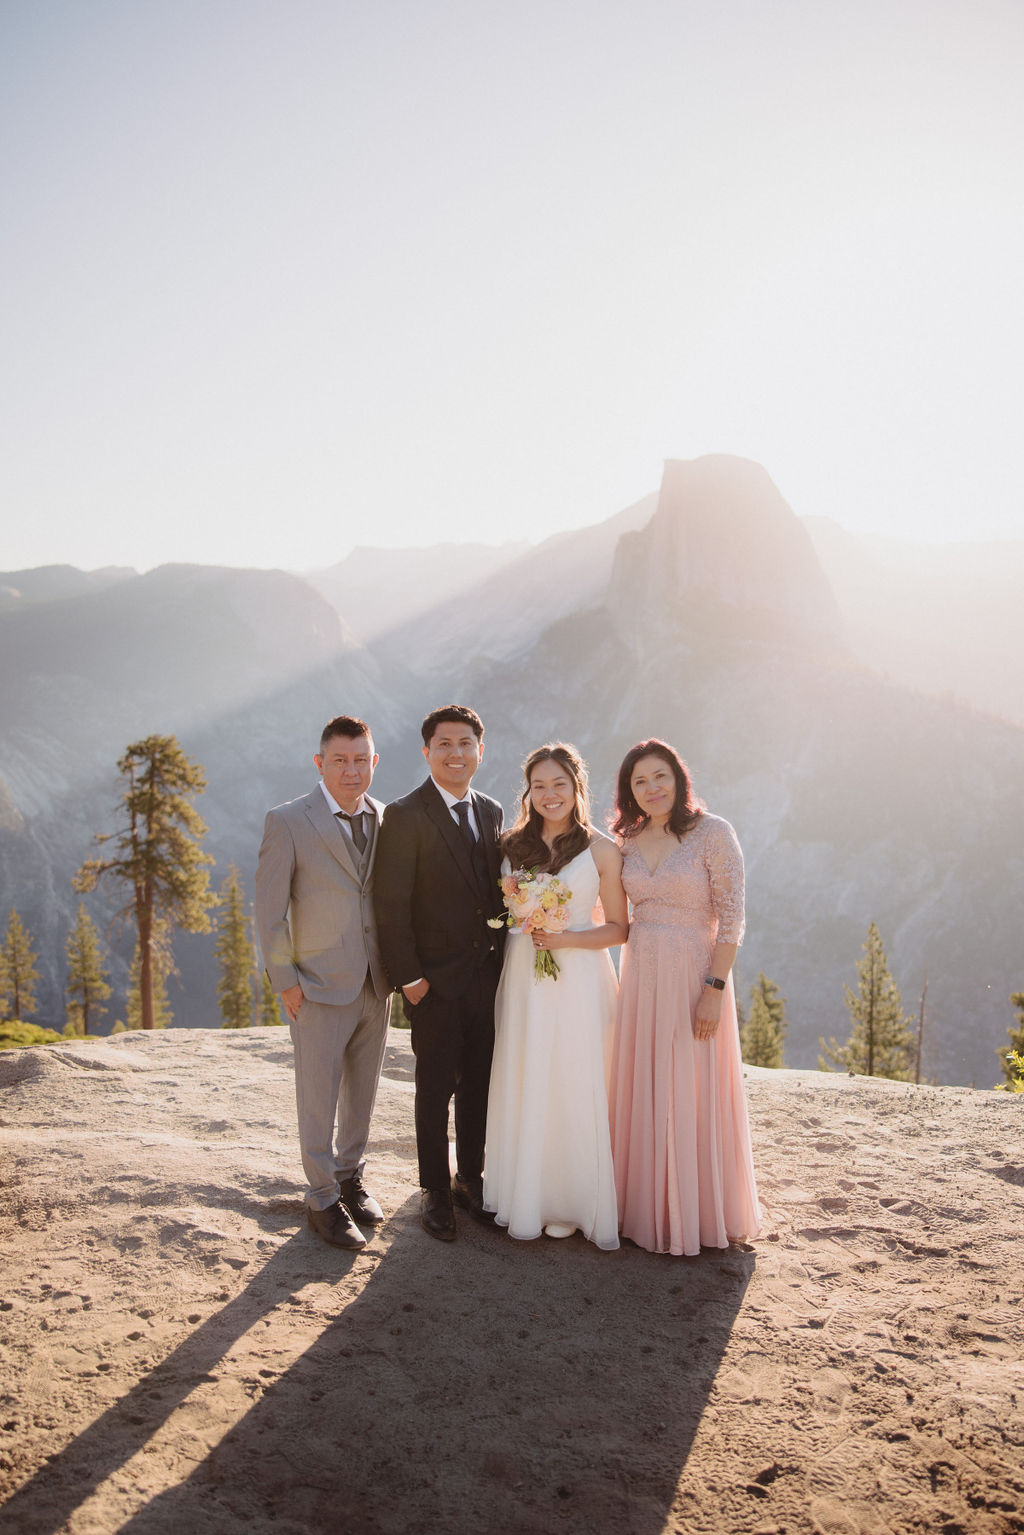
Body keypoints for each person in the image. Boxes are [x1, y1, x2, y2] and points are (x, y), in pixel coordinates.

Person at [608, 740, 760, 1256]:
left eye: (660, 776)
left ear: (679, 778)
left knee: (689, 1086)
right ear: (629, 791)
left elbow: (732, 920)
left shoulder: (713, 833)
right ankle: (641, 1207)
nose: (652, 789)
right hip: (639, 973)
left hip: (694, 974)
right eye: (639, 782)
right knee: (643, 1081)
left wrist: (713, 992)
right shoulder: (624, 841)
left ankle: (694, 1211)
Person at [255, 715, 391, 1251]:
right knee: (318, 1096)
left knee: (363, 1091)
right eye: (340, 760)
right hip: (314, 985)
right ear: (320, 763)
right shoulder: (287, 821)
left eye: (361, 759)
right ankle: (320, 1198)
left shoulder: (386, 818)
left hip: (374, 984)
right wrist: (286, 981)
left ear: (374, 762)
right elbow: (269, 913)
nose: (351, 770)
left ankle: (350, 1178)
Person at [483, 743, 627, 1249]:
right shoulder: (510, 847)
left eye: (559, 785)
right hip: (524, 975)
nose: (549, 795)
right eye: (539, 786)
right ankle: (527, 1195)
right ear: (529, 791)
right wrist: (529, 917)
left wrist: (566, 939)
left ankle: (569, 1200)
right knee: (526, 1074)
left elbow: (618, 929)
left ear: (576, 788)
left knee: (571, 1077)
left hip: (579, 979)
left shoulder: (602, 850)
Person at [373, 705, 506, 1241]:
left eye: (466, 743)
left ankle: (469, 1180)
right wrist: (410, 979)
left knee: (479, 1085)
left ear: (481, 750)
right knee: (434, 1090)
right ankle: (434, 1189)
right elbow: (390, 904)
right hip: (434, 984)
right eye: (444, 744)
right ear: (427, 751)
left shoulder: (494, 812)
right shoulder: (405, 815)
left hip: (489, 981)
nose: (456, 753)